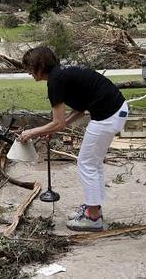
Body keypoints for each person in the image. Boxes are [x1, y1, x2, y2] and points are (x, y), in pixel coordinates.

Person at [17, 46, 129, 232]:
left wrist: (31, 132)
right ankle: (94, 209)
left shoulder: (55, 82)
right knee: (93, 164)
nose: (28, 71)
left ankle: (93, 218)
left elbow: (57, 122)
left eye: (29, 67)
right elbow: (80, 110)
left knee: (86, 164)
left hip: (107, 115)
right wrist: (53, 128)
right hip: (114, 111)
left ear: (39, 65)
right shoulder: (61, 75)